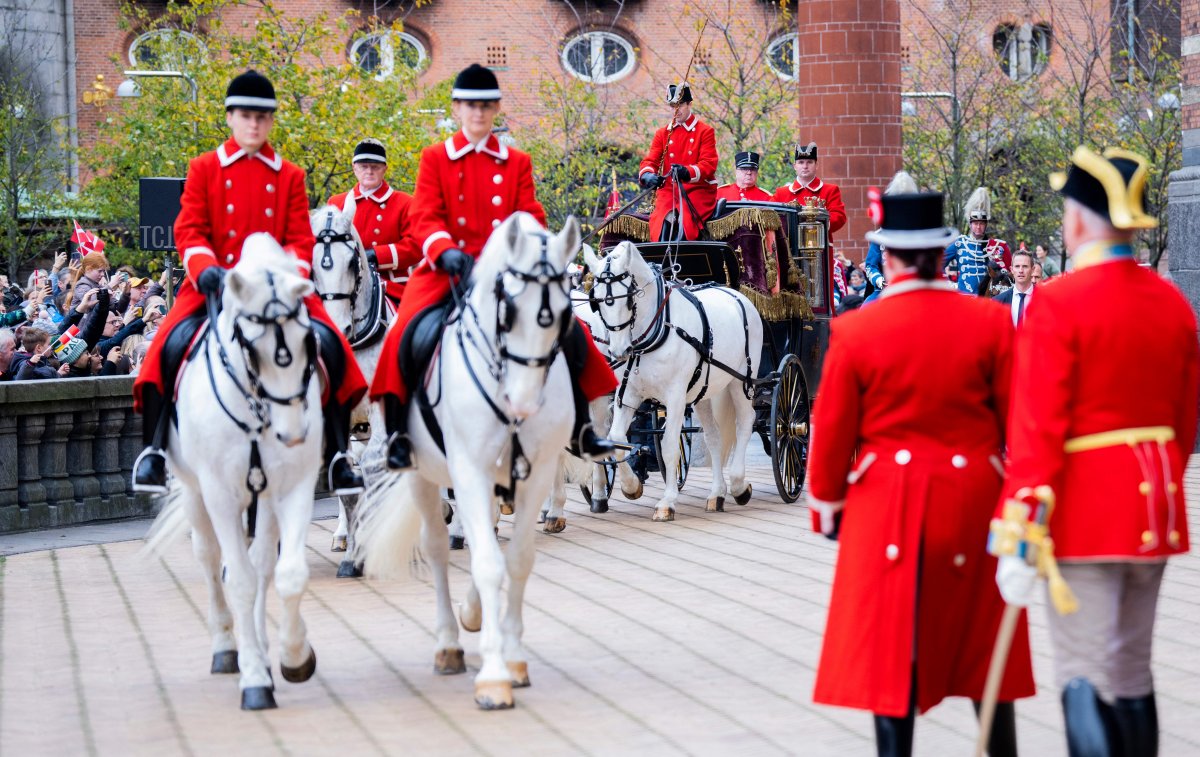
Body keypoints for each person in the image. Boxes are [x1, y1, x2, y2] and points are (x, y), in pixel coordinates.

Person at [807, 189, 1034, 757]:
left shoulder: (857, 329)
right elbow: (1022, 424)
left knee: (891, 657)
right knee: (986, 654)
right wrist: (1023, 506)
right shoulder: (988, 321)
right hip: (977, 500)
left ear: (888, 258)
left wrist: (828, 507)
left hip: (887, 504)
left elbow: (831, 431)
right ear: (942, 256)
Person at [990, 147, 1197, 757]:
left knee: (1083, 673)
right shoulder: (1171, 304)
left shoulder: (1057, 302)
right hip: (1153, 511)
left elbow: (1037, 428)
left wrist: (1018, 524)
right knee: (1132, 670)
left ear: (1080, 218)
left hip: (1083, 513)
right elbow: (1184, 427)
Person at [132, 69, 368, 496]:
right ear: (230, 117)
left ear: (271, 120)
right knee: (165, 348)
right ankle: (153, 452)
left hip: (278, 291)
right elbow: (189, 228)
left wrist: (286, 279)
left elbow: (299, 238)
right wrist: (204, 268)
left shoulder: (290, 175)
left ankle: (337, 456)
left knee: (331, 347)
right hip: (216, 284)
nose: (254, 124)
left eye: (262, 116)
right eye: (245, 115)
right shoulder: (204, 168)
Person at [371, 63, 618, 471]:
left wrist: (541, 252)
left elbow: (530, 216)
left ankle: (582, 427)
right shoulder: (435, 158)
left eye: (486, 106)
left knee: (566, 326)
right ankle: (398, 435)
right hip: (450, 268)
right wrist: (443, 249)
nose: (478, 113)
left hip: (509, 272)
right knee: (404, 331)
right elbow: (424, 216)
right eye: (470, 106)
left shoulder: (516, 161)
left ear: (496, 108)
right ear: (456, 109)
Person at [327, 138, 420, 302]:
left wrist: (376, 255)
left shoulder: (404, 202)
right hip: (345, 284)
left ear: (384, 169)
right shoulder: (336, 203)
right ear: (354, 168)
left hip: (390, 286)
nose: (369, 171)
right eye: (363, 166)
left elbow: (415, 246)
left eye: (375, 167)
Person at [637, 82, 718, 241]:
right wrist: (647, 175)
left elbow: (709, 165)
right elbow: (651, 160)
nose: (676, 110)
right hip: (669, 190)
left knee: (685, 221)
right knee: (660, 223)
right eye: (672, 105)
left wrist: (687, 172)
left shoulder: (705, 131)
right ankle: (659, 261)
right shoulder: (663, 133)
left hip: (697, 190)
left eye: (680, 105)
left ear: (689, 104)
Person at [862, 171, 919, 304]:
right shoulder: (879, 236)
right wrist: (879, 280)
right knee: (866, 308)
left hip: (915, 288)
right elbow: (871, 265)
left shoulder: (919, 235)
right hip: (885, 290)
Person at [771, 142, 848, 239]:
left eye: (809, 162)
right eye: (801, 162)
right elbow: (769, 215)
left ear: (816, 165)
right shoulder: (781, 193)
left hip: (820, 248)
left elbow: (839, 217)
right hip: (789, 248)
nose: (805, 166)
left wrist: (815, 225)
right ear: (795, 166)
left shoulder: (830, 190)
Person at [944, 187, 1011, 295]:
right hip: (964, 298)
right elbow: (938, 263)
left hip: (987, 299)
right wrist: (948, 285)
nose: (978, 227)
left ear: (986, 225)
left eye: (982, 223)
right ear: (970, 224)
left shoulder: (997, 246)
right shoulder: (960, 243)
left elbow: (1011, 272)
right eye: (975, 223)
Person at [993, 248, 1035, 327]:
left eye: (1025, 266)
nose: (1021, 270)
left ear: (1032, 270)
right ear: (1012, 270)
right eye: (1017, 266)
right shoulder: (998, 301)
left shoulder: (1046, 299)